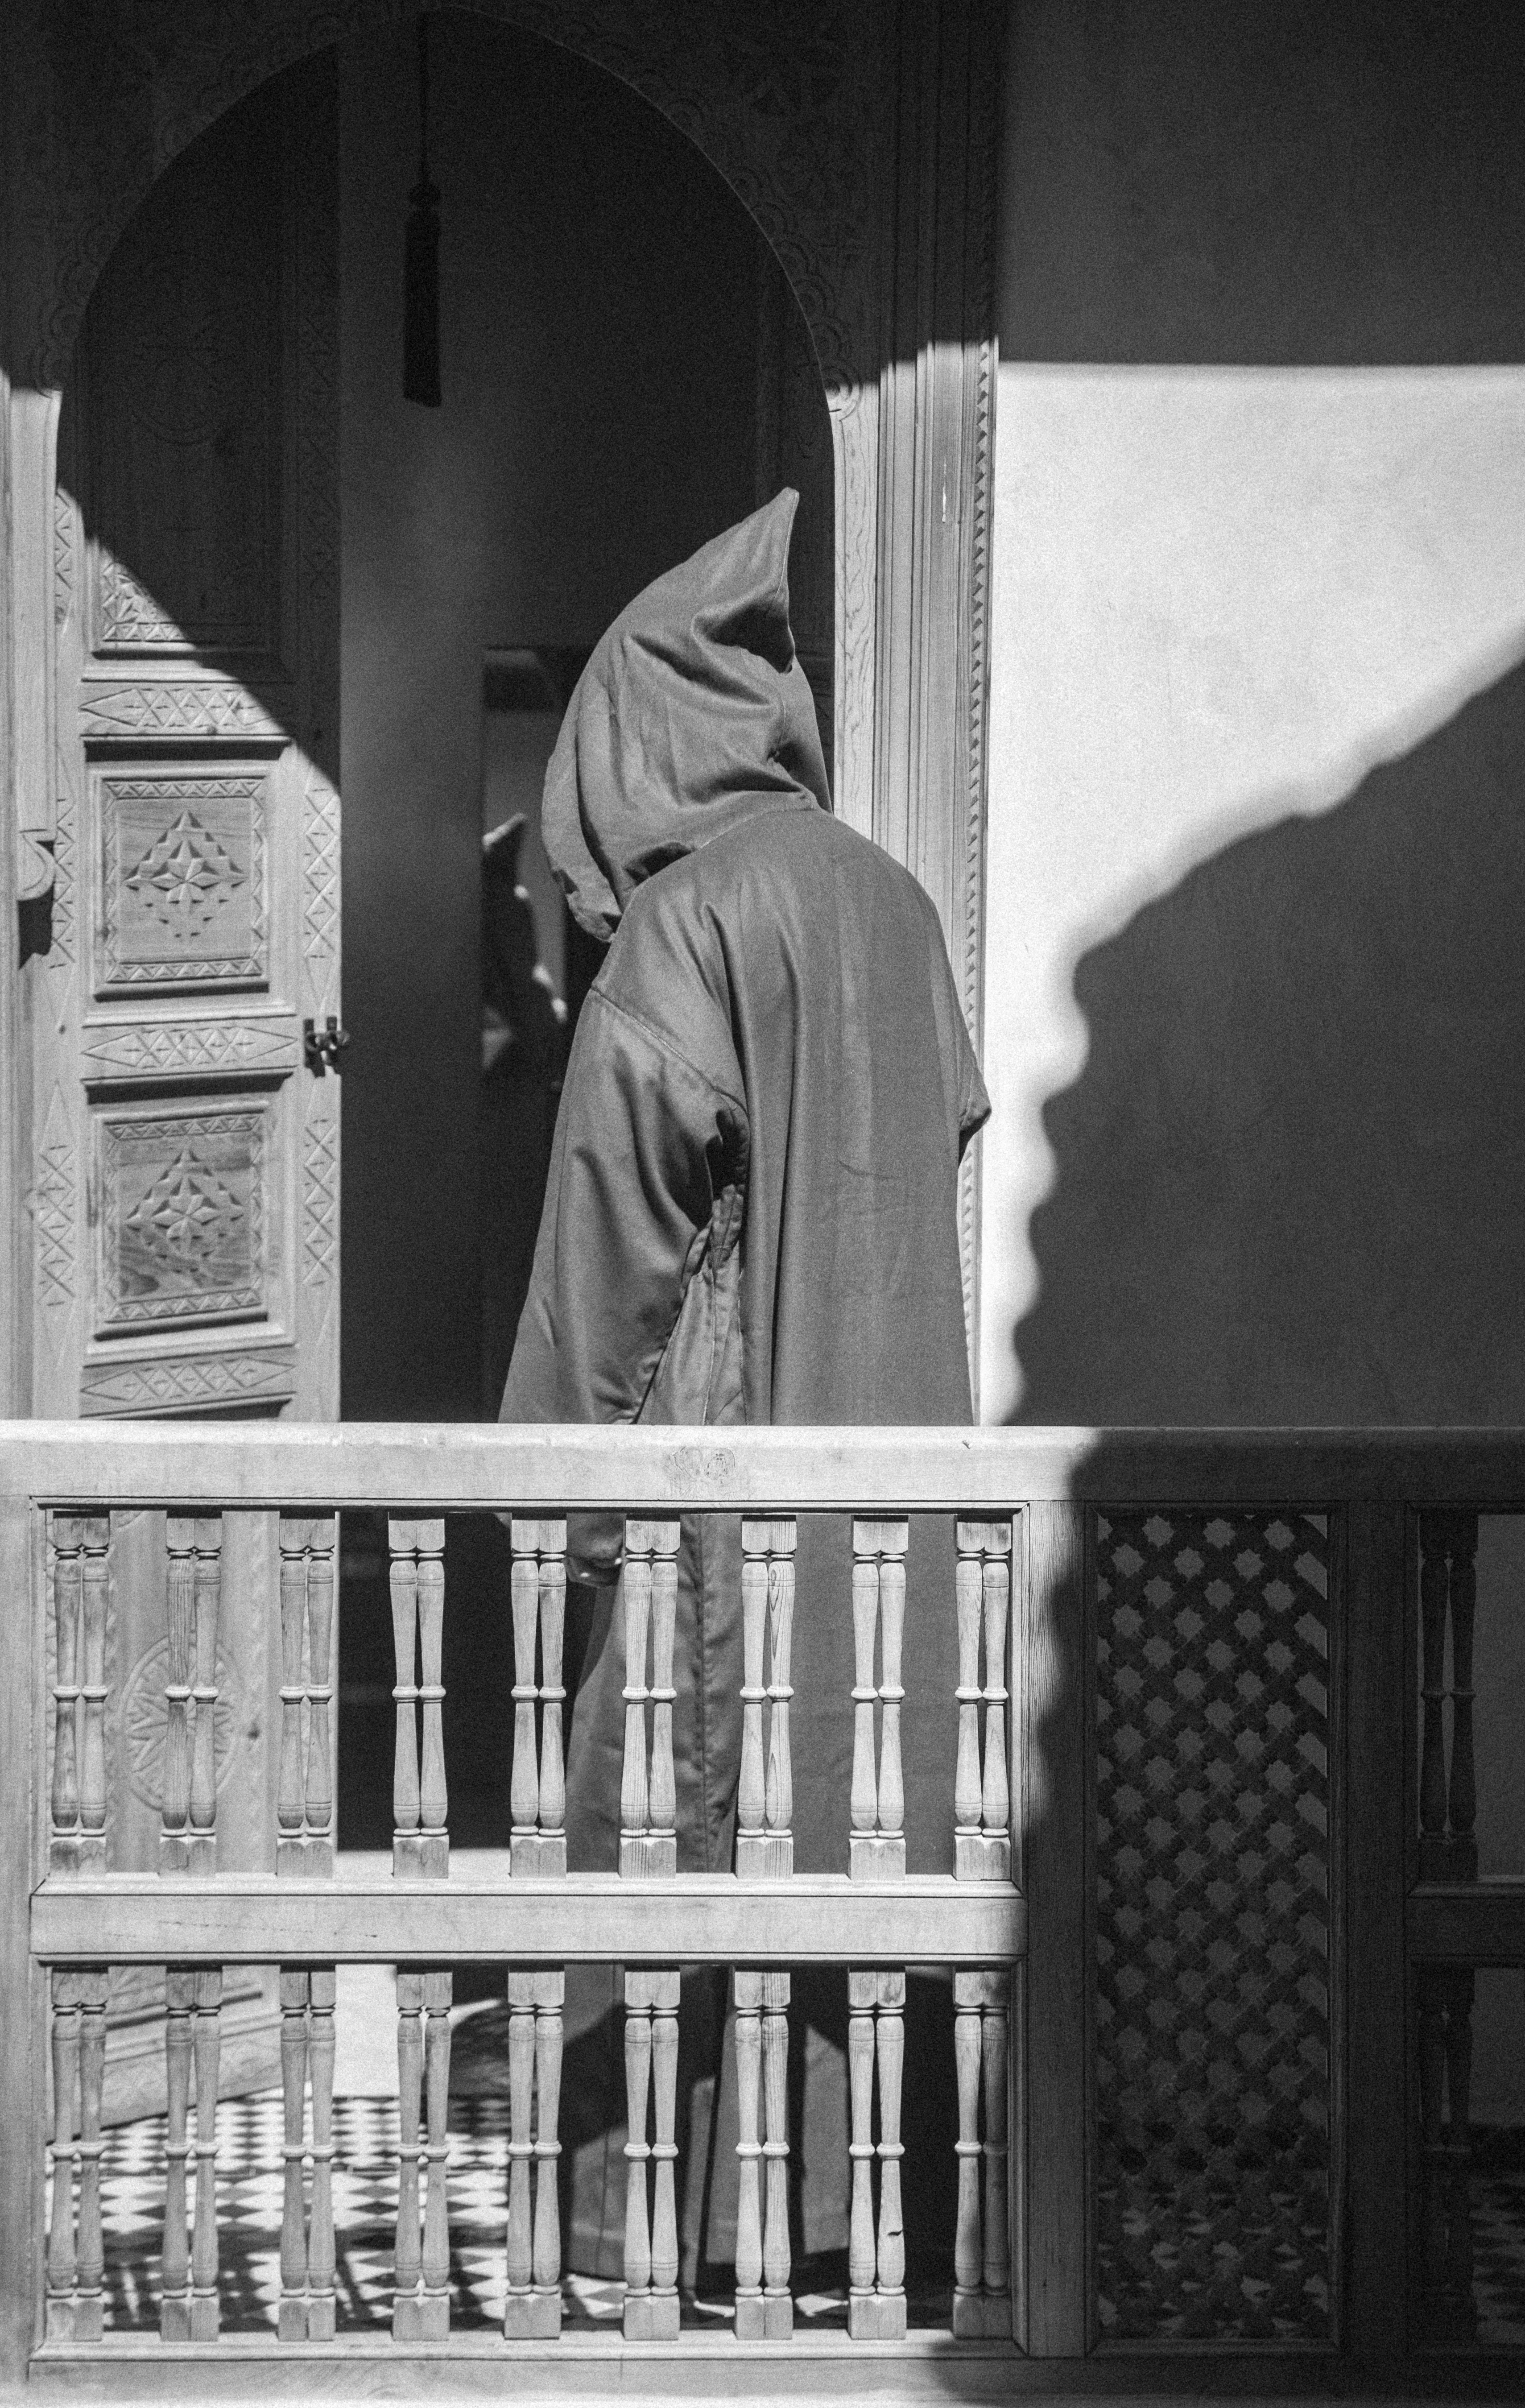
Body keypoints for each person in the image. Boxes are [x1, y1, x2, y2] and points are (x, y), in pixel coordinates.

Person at [500, 486, 989, 2285]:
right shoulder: (892, 900)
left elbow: (605, 1265)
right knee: (871, 1810)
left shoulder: (686, 928)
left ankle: (670, 2246)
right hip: (900, 1508)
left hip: (717, 1495)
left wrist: (528, 1503)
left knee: (676, 1820)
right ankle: (877, 2236)